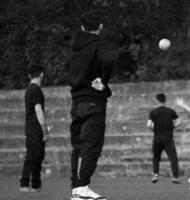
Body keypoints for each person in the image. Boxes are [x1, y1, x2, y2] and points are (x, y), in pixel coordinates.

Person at [66, 10, 119, 200]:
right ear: (101, 27)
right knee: (91, 145)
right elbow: (112, 57)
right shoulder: (99, 45)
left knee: (78, 146)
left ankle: (76, 189)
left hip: (77, 102)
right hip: (94, 101)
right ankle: (82, 188)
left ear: (82, 27)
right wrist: (103, 80)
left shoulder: (75, 47)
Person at [20, 63, 49, 192]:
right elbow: (38, 110)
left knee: (38, 157)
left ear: (29, 75)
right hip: (35, 130)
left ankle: (36, 185)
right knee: (32, 157)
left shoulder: (29, 90)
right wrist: (44, 129)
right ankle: (24, 184)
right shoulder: (36, 90)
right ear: (41, 75)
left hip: (32, 129)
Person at [147, 93, 181, 184]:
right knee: (173, 157)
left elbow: (149, 125)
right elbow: (178, 122)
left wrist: (153, 130)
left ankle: (155, 175)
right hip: (168, 138)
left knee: (156, 157)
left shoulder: (153, 112)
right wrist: (172, 127)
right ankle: (175, 177)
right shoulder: (171, 111)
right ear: (165, 100)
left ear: (157, 100)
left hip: (157, 137)